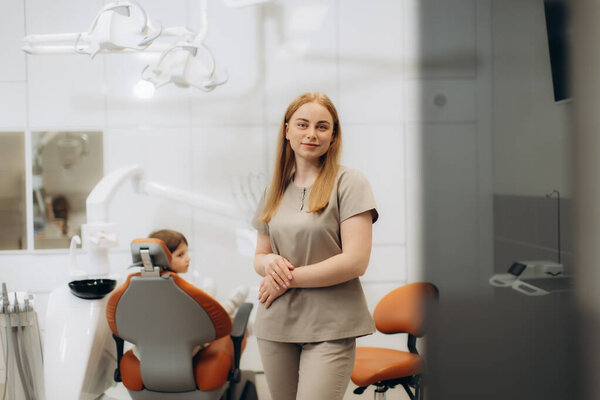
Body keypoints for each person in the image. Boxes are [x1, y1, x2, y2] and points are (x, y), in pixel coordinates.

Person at [252, 92, 379, 400]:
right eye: (302, 124)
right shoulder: (274, 188)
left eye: (322, 126)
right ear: (287, 130)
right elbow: (260, 255)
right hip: (275, 322)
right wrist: (269, 265)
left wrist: (287, 279)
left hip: (330, 327)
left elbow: (355, 262)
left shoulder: (349, 182)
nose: (311, 133)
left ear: (333, 136)